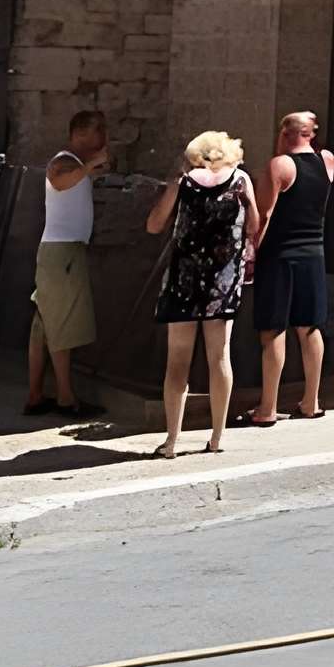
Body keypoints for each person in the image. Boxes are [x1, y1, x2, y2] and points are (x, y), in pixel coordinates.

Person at [144, 129, 258, 458]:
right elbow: (254, 225)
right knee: (219, 357)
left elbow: (154, 224)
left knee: (177, 362)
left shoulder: (183, 182)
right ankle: (217, 436)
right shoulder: (241, 180)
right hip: (222, 282)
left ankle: (171, 441)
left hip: (184, 279)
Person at [241, 110, 334, 426]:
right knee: (310, 327)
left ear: (284, 134)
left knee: (273, 330)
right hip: (314, 253)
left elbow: (265, 214)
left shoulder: (280, 164)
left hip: (280, 255)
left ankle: (267, 408)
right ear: (311, 134)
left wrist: (252, 250)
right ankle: (312, 401)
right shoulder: (328, 161)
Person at [22, 108, 110, 417]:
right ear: (82, 134)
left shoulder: (76, 164)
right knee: (62, 325)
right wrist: (89, 167)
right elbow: (58, 179)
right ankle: (64, 397)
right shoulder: (65, 161)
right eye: (99, 132)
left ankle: (35, 395)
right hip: (63, 255)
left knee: (44, 327)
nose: (104, 138)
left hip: (57, 253)